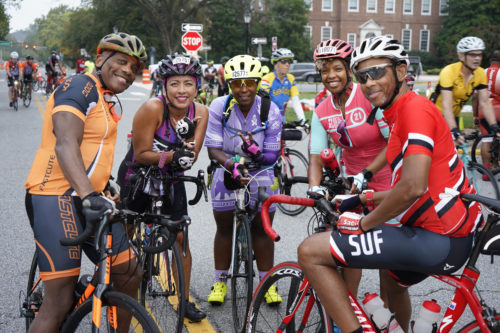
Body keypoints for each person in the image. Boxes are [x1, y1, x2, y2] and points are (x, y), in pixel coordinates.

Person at [297, 36, 483, 333]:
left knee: (309, 251)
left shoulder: (414, 110)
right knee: (392, 284)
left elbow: (412, 188)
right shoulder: (395, 114)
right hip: (438, 232)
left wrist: (364, 223)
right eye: (363, 76)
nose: (369, 83)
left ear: (400, 71)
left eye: (377, 72)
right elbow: (412, 187)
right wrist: (362, 199)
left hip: (438, 237)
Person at [24, 32, 147, 333]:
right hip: (55, 195)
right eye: (121, 62)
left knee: (129, 271)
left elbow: (92, 153)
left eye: (134, 69)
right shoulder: (79, 85)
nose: (127, 72)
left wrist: (104, 188)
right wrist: (89, 193)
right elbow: (66, 143)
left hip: (89, 195)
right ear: (100, 59)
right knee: (60, 299)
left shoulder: (105, 99)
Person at [116, 53, 209, 322]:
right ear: (164, 86)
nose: (182, 90)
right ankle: (118, 285)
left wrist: (181, 156)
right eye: (175, 84)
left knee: (180, 237)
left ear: (197, 85)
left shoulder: (201, 112)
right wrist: (171, 156)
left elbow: (189, 157)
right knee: (127, 230)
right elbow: (142, 151)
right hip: (138, 173)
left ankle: (184, 300)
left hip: (170, 176)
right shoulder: (152, 109)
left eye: (188, 84)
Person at [307, 38, 392, 298]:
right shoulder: (322, 109)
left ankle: (390, 316)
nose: (330, 76)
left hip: (386, 184)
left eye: (337, 68)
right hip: (352, 187)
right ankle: (348, 312)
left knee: (387, 262)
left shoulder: (368, 97)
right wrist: (314, 188)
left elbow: (395, 145)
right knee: (349, 254)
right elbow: (315, 156)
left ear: (349, 69)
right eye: (324, 70)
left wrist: (366, 175)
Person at [205, 55, 282, 305]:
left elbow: (272, 155)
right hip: (226, 167)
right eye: (237, 84)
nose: (244, 89)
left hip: (261, 169)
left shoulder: (270, 109)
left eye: (249, 82)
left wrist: (255, 153)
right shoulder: (218, 106)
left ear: (257, 82)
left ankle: (266, 283)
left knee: (261, 229)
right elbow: (213, 149)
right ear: (230, 85)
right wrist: (231, 165)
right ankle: (220, 280)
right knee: (224, 227)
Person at [430, 36, 500, 145]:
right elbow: (446, 104)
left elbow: (485, 102)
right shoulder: (449, 71)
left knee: (453, 152)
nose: (477, 58)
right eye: (473, 55)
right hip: (433, 115)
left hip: (453, 116)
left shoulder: (480, 73)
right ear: (461, 56)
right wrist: (453, 130)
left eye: (479, 54)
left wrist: (494, 126)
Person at [261, 48, 306, 124]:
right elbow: (262, 102)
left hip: (282, 118)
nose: (287, 64)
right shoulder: (267, 79)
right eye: (283, 61)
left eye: (289, 61)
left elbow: (296, 102)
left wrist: (303, 120)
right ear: (275, 64)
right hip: (268, 117)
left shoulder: (291, 79)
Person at [477, 50, 500, 173]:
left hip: (484, 110)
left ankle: (486, 172)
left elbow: (475, 97)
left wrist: (475, 114)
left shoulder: (482, 73)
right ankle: (497, 165)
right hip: (498, 109)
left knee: (486, 140)